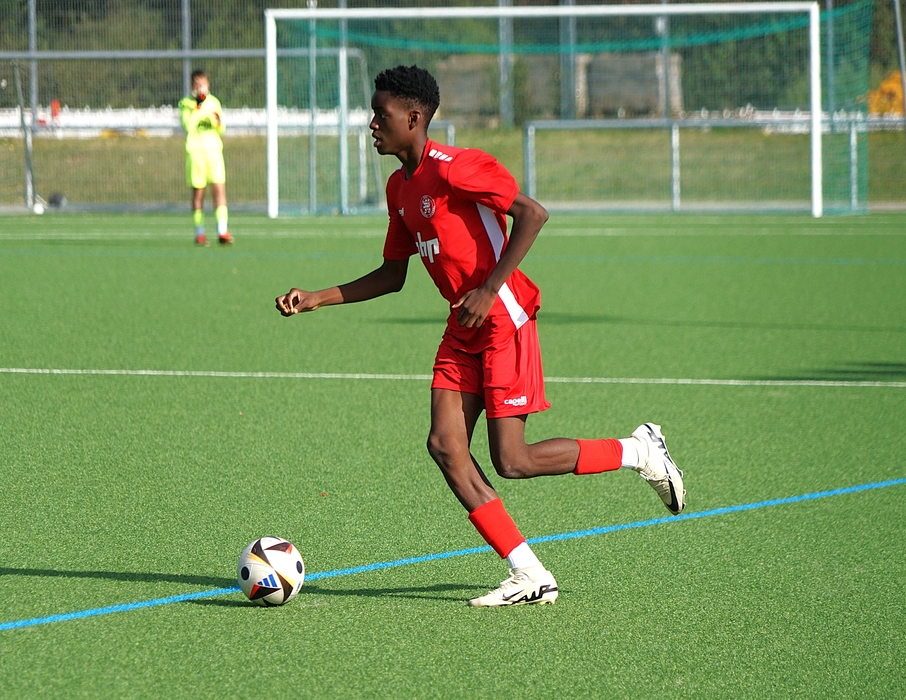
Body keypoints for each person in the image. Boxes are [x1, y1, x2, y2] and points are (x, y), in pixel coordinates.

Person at [275, 65, 684, 607]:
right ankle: (529, 573)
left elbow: (532, 214)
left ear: (413, 118)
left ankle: (638, 450)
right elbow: (393, 275)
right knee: (445, 446)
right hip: (461, 325)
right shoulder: (399, 188)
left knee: (512, 461)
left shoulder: (457, 167)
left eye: (380, 114)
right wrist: (317, 297)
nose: (372, 124)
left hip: (504, 318)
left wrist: (490, 288)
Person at [179, 69, 232, 246]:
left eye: (203, 83)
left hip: (214, 153)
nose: (200, 87)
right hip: (195, 154)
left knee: (219, 191)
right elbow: (188, 125)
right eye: (197, 84)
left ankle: (222, 231)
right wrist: (198, 108)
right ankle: (200, 232)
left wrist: (215, 120)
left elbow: (221, 127)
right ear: (192, 86)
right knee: (198, 194)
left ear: (208, 84)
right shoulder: (186, 104)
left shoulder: (214, 102)